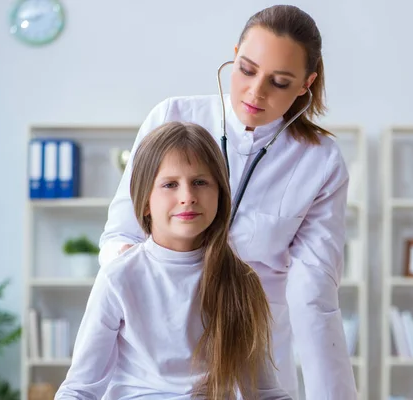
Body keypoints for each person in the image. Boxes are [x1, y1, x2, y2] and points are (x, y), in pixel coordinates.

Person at [99, 5, 357, 399]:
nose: (256, 92)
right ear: (234, 54)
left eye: (280, 82)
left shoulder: (319, 160)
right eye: (247, 70)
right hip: (154, 356)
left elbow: (313, 295)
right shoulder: (173, 116)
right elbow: (121, 236)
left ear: (306, 83)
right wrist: (147, 298)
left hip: (253, 350)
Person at [56, 122, 291, 400]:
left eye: (200, 182)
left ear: (220, 194)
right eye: (170, 184)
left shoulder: (242, 282)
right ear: (145, 202)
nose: (187, 197)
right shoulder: (118, 278)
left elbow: (265, 392)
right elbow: (79, 390)